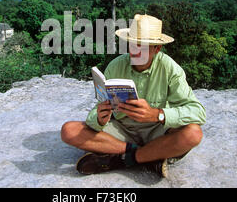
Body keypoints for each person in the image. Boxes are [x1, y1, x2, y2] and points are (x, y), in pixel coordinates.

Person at [61, 14, 206, 178]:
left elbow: (198, 112)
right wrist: (99, 118)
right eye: (132, 44)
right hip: (122, 131)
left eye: (142, 46)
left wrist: (157, 114)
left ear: (156, 49)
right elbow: (99, 107)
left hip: (157, 132)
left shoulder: (170, 68)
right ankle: (149, 156)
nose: (134, 50)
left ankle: (123, 159)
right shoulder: (115, 66)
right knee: (69, 131)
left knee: (193, 133)